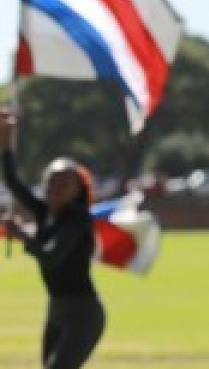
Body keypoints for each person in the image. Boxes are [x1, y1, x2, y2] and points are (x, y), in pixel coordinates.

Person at [1, 108, 106, 369]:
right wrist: (7, 138)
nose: (54, 189)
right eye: (50, 182)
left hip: (83, 314)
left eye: (63, 183)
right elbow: (12, 182)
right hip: (57, 309)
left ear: (78, 189)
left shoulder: (78, 220)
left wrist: (21, 234)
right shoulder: (44, 212)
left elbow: (51, 257)